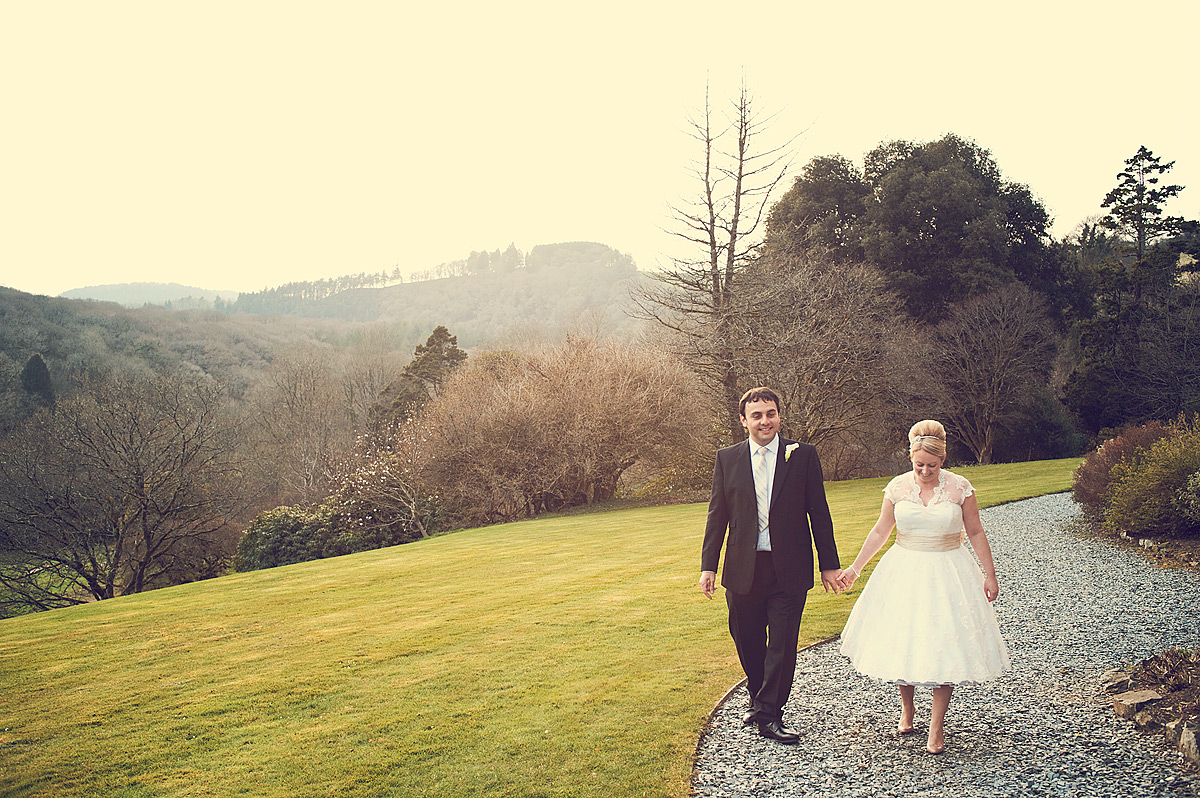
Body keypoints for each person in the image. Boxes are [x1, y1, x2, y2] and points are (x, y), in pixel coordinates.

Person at [837, 420, 1010, 754]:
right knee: (908, 638)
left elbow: (975, 531)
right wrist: (855, 569)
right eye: (920, 465)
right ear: (910, 459)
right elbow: (880, 531)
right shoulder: (897, 488)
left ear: (942, 461)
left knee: (945, 642)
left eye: (932, 465)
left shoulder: (960, 488)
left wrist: (990, 574)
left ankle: (937, 727)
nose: (926, 471)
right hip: (905, 569)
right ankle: (907, 708)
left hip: (949, 570)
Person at [700, 387, 844, 744]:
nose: (765, 421)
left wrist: (829, 564)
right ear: (743, 420)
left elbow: (819, 512)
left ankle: (769, 715)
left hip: (789, 568)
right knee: (747, 641)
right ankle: (759, 698)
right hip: (742, 569)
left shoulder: (803, 456)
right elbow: (718, 515)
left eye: (771, 413)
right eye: (757, 415)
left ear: (779, 415)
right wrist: (708, 566)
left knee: (781, 644)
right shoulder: (727, 458)